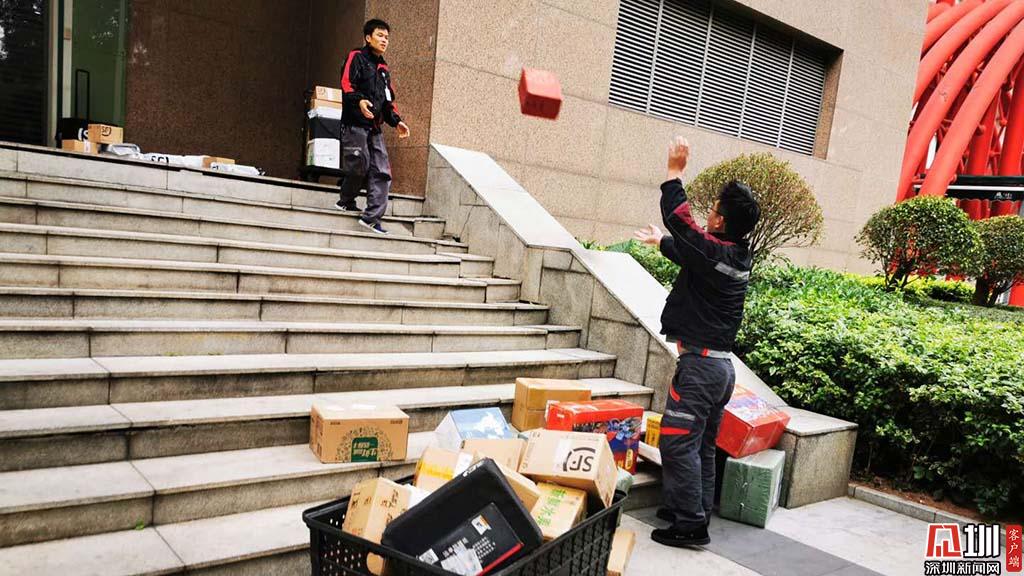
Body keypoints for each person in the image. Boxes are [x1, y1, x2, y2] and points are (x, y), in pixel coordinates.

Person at [634, 137, 761, 548]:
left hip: (702, 370)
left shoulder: (717, 251)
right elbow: (696, 254)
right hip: (717, 370)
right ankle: (694, 509)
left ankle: (690, 523)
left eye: (715, 211)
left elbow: (685, 227)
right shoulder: (733, 255)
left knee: (676, 442)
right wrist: (661, 243)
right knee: (702, 445)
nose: (709, 215)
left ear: (721, 222)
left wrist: (674, 172)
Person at [335, 18, 410, 235]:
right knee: (359, 165)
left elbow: (388, 101)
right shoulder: (356, 57)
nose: (384, 40)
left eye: (387, 37)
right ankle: (346, 200)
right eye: (380, 35)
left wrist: (397, 121)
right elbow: (346, 84)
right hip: (355, 123)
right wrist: (359, 100)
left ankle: (371, 218)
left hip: (375, 128)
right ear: (368, 38)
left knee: (382, 171)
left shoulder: (384, 70)